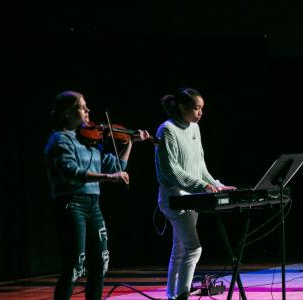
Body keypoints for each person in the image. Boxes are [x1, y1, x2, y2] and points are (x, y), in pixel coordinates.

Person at [45, 91, 150, 300]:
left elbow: (117, 165)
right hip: (71, 204)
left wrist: (130, 142)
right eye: (82, 107)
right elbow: (71, 172)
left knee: (101, 261)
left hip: (93, 205)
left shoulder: (89, 142)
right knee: (75, 264)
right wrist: (109, 177)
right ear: (66, 113)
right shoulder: (60, 139)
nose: (87, 111)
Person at [155, 87, 234, 300]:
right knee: (193, 247)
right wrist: (201, 185)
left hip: (193, 197)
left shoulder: (194, 129)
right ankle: (182, 295)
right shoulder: (167, 130)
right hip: (174, 197)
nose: (200, 113)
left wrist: (215, 184)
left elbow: (200, 165)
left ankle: (173, 295)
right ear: (181, 107)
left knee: (180, 247)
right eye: (196, 108)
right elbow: (171, 171)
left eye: (201, 108)